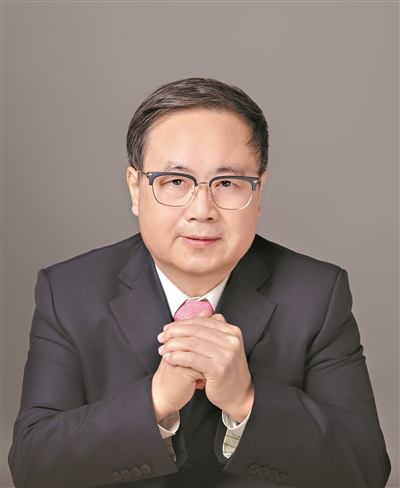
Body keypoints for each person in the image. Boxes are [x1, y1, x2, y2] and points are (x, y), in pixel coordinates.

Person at [9, 78, 390, 488]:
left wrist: (246, 399)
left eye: (227, 183)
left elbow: (366, 469)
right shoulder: (69, 292)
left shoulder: (317, 294)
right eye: (176, 181)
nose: (202, 210)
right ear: (136, 189)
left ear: (259, 191)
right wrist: (155, 400)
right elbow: (33, 467)